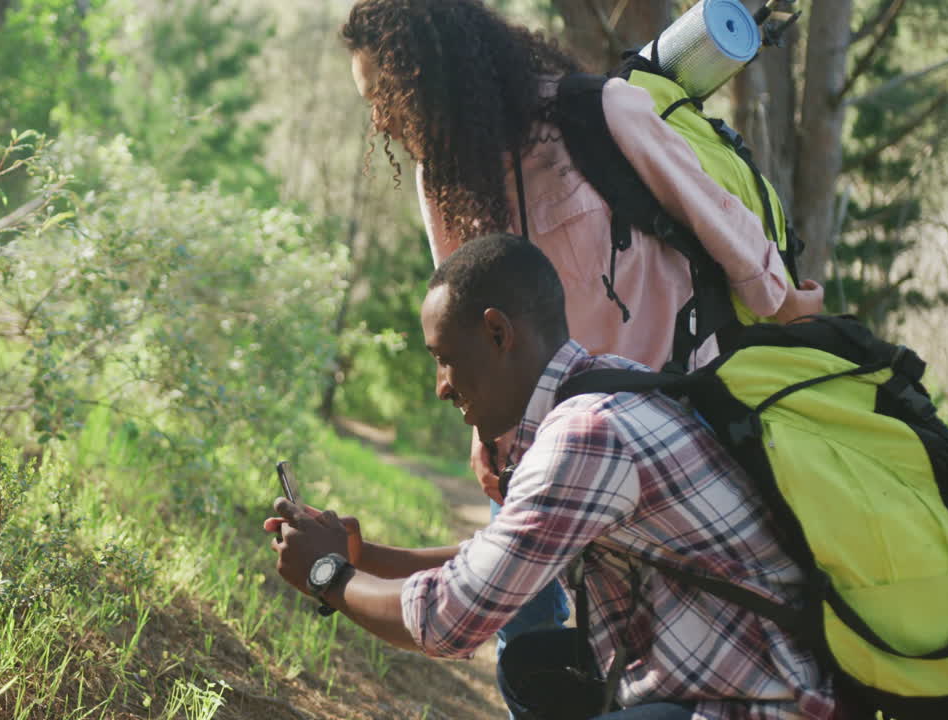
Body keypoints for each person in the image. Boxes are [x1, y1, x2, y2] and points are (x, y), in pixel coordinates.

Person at [340, 0, 824, 702]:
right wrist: (488, 436)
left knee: (677, 612)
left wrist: (785, 302)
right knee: (531, 638)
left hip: (679, 415)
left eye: (384, 95)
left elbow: (719, 222)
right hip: (553, 441)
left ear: (433, 72)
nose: (380, 119)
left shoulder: (600, 115)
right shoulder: (440, 180)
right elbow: (466, 311)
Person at [264, 233, 836, 719]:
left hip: (756, 705)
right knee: (531, 665)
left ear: (497, 333)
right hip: (736, 684)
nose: (440, 385)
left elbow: (449, 620)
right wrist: (357, 555)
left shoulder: (586, 433)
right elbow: (499, 559)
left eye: (443, 356)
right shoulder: (607, 384)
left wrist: (326, 574)